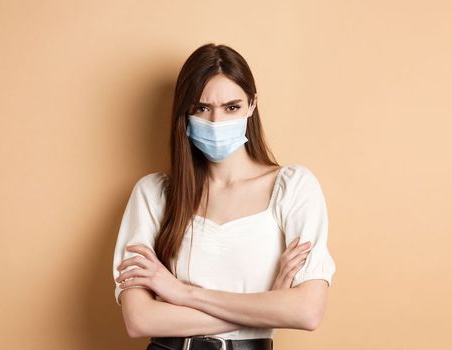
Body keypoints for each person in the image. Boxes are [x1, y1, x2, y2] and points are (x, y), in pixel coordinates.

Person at [111, 43, 336, 350]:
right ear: (185, 112)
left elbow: (307, 311)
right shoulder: (154, 194)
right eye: (202, 108)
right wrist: (266, 306)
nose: (217, 122)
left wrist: (182, 293)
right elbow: (140, 320)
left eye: (232, 107)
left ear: (252, 105)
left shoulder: (293, 187)